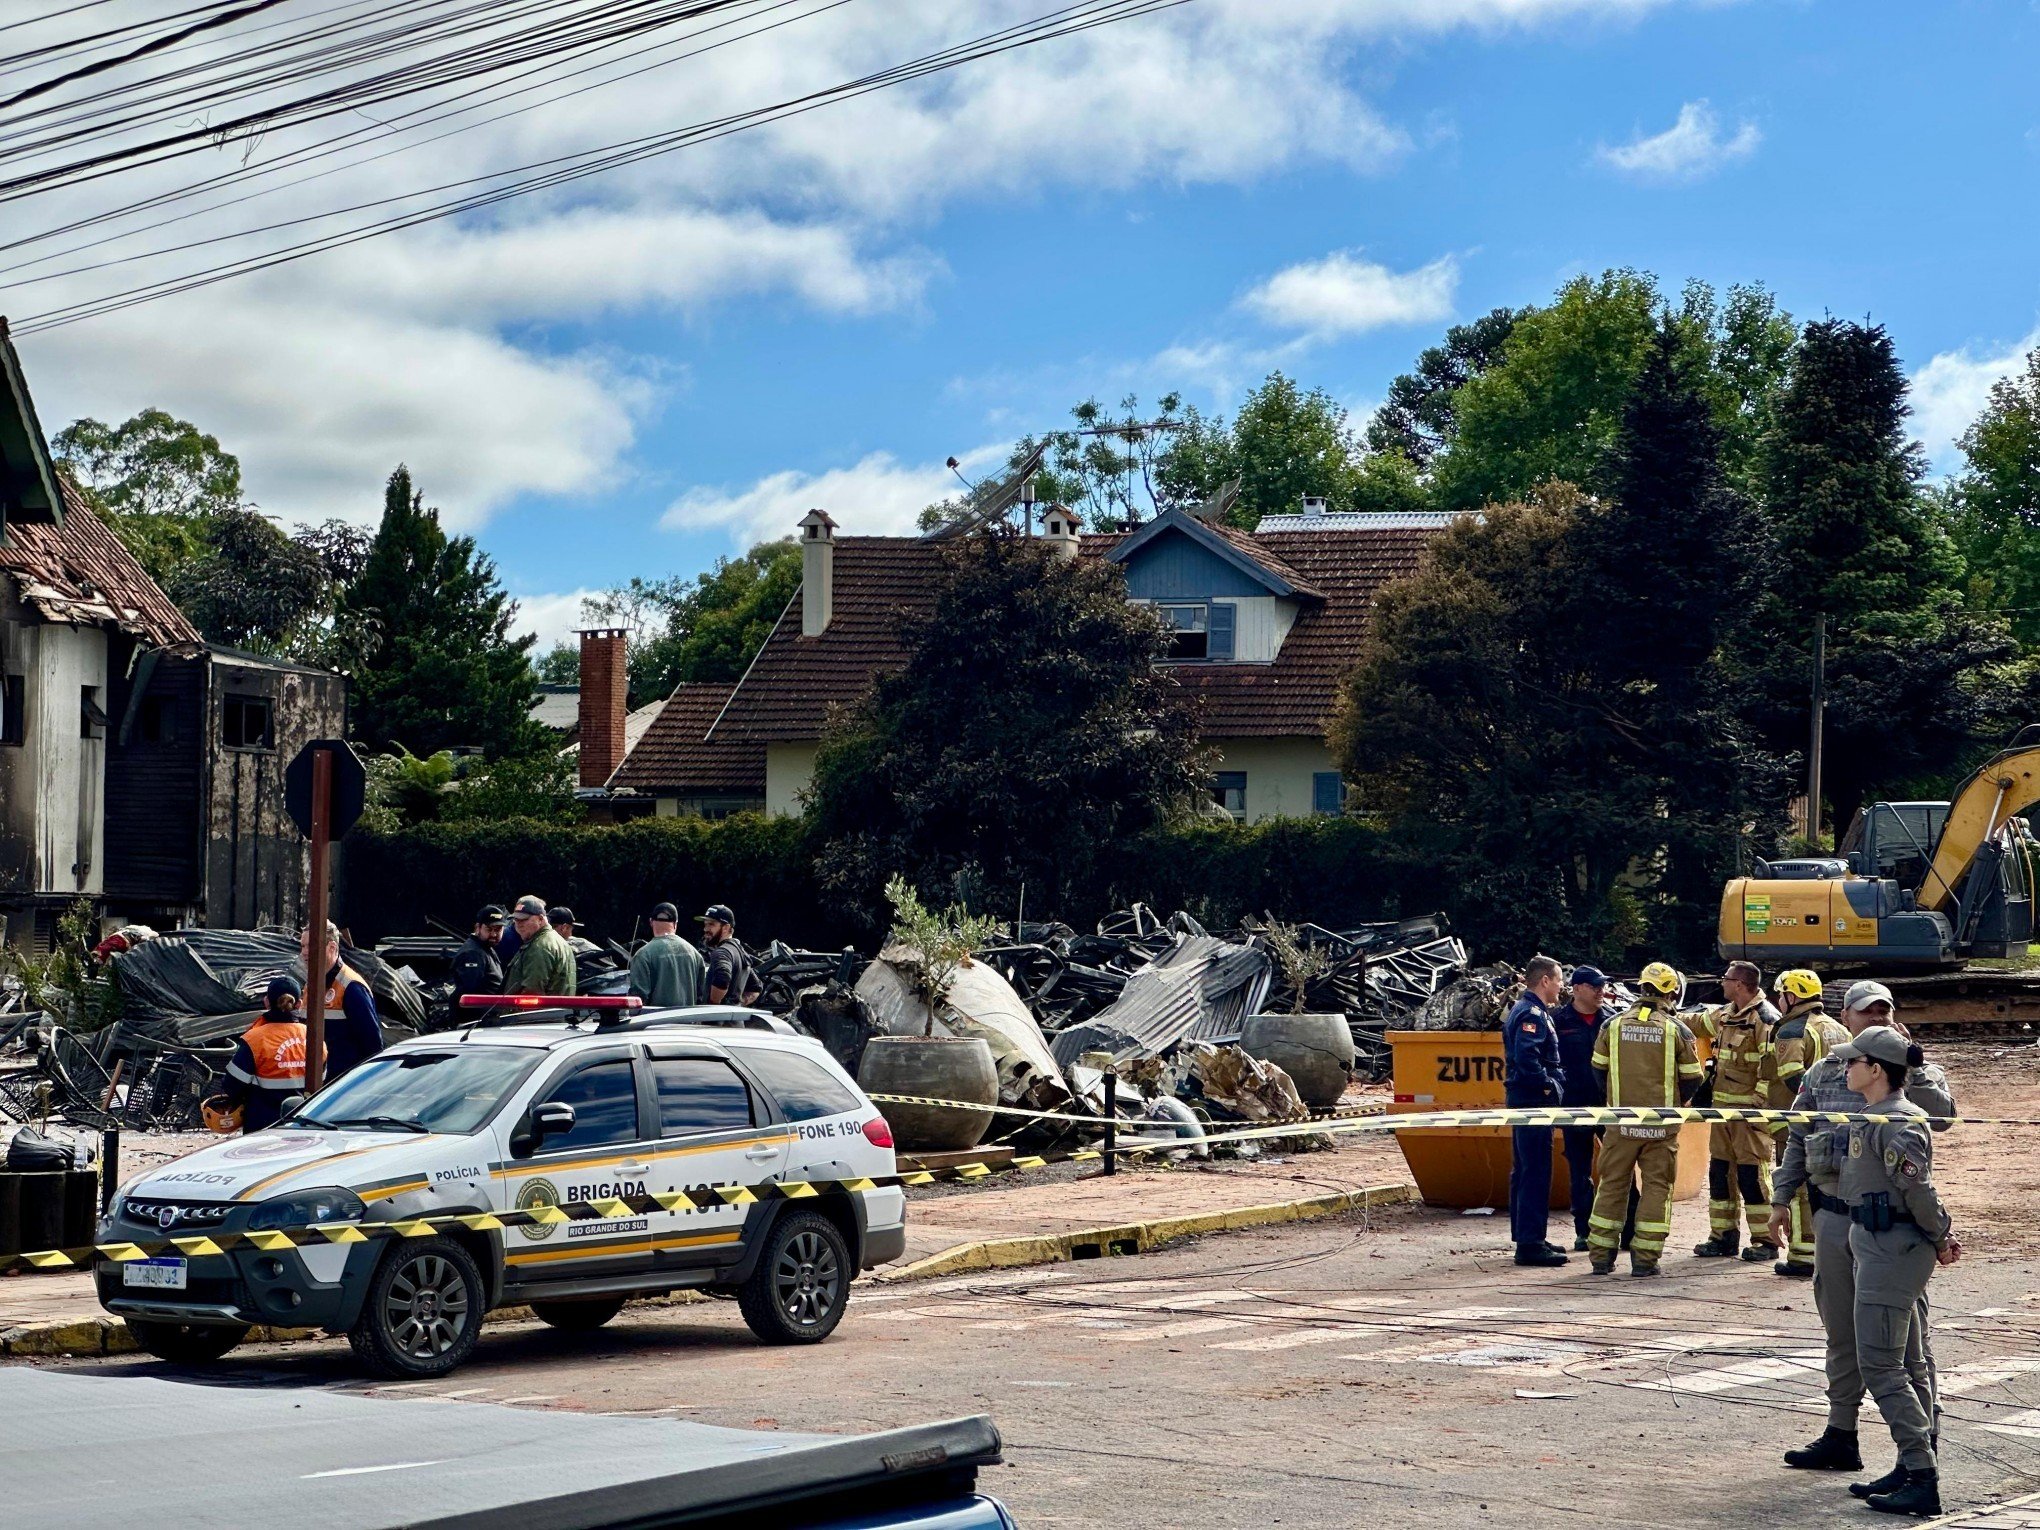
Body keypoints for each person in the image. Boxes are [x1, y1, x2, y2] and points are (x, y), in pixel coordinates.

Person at [1772, 981, 1957, 1497]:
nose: (1876, 1016)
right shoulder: (1829, 1072)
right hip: (1838, 1215)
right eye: (1867, 1011)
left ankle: (1920, 1453)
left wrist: (1907, 1065)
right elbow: (1798, 1133)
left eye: (1885, 1010)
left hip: (1887, 1231)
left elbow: (1936, 1127)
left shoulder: (1901, 1085)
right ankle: (1844, 1435)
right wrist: (1781, 1197)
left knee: (1903, 1348)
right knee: (1844, 1332)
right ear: (1847, 1016)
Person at [1818, 1026, 1959, 1517]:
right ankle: (1911, 1463)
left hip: (1892, 1248)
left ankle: (1922, 1475)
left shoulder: (1897, 1122)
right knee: (1904, 1359)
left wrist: (1941, 1236)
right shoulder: (1874, 1116)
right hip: (1874, 1242)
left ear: (1877, 1070)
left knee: (1881, 1363)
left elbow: (1917, 1191)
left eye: (1854, 1062)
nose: (1846, 1068)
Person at [1586, 961, 1706, 1277]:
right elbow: (1693, 1078)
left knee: (1612, 1186)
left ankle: (1600, 1257)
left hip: (1619, 1123)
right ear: (1671, 992)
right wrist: (1675, 1103)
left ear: (1642, 988)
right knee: (1656, 1188)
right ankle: (1644, 1260)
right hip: (1660, 1127)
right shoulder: (1677, 1029)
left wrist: (1616, 1103)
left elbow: (1598, 1072)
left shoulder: (1611, 1026)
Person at [1692, 959, 1781, 1262]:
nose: (1722, 983)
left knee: (1751, 1177)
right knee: (1719, 1174)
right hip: (1722, 1114)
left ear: (1740, 984)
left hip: (1749, 1116)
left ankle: (1766, 1241)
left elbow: (1773, 1068)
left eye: (1726, 979)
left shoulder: (1765, 1019)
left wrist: (1758, 1106)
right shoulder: (1727, 1015)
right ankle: (1723, 1237)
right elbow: (1693, 1022)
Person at [1770, 968, 1852, 1277]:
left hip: (1799, 1122)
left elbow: (1793, 1079)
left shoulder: (1792, 1030)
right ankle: (1823, 1250)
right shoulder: (1837, 1028)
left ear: (1791, 997)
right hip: (1836, 1121)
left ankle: (1803, 1256)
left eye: (1782, 995)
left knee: (1798, 1185)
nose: (1779, 1001)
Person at [1553, 964, 1633, 1251]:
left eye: (1603, 986)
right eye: (1594, 986)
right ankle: (1584, 1232)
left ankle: (1629, 1230)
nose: (1601, 991)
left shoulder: (1613, 1020)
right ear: (1576, 989)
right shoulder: (1558, 1021)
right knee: (1579, 1171)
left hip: (1609, 1106)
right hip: (1574, 1107)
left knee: (1620, 1169)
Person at [1502, 954, 1567, 1267]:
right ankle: (1530, 1244)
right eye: (1558, 980)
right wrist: (1549, 1088)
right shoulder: (1532, 1014)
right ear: (1545, 980)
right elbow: (1528, 1060)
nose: (1561, 986)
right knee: (1536, 1171)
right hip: (1533, 1102)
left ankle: (1530, 1236)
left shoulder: (1531, 1009)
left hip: (1525, 1100)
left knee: (1526, 1170)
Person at [214, 977, 308, 1132]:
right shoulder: (312, 1037)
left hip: (262, 1126)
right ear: (298, 1003)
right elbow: (321, 1081)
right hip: (303, 1125)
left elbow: (232, 1085)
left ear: (266, 1002)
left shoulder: (254, 1039)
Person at [302, 920, 383, 1082]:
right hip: (318, 1084)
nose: (304, 952)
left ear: (332, 948)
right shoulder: (310, 984)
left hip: (342, 1086)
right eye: (302, 946)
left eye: (310, 946)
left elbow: (373, 1047)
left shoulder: (352, 987)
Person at [630, 901, 704, 1008]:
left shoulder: (643, 955)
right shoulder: (694, 954)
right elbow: (701, 995)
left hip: (656, 1023)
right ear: (675, 924)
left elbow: (638, 1000)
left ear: (651, 922)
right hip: (689, 1023)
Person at [502, 894, 577, 996]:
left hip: (536, 1012)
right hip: (556, 1010)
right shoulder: (556, 940)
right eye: (515, 919)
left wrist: (513, 1011)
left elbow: (532, 993)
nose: (518, 924)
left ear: (540, 919)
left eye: (524, 919)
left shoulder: (539, 947)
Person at [699, 904, 760, 1007]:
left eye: (711, 924)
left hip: (714, 1022)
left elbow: (722, 979)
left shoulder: (722, 952)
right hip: (735, 1021)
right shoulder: (740, 951)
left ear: (726, 928)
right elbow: (756, 987)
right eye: (705, 924)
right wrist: (736, 1004)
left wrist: (714, 1006)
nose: (706, 929)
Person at [449, 905, 507, 1007]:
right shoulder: (473, 954)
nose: (493, 934)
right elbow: (470, 995)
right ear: (477, 928)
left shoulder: (485, 948)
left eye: (498, 930)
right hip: (478, 1019)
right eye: (489, 929)